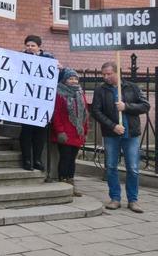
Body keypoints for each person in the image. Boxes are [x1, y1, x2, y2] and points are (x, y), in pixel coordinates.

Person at [91, 61, 150, 213]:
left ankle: (133, 200)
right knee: (111, 166)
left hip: (131, 133)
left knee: (133, 168)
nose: (106, 77)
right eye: (103, 74)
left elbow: (145, 105)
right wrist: (113, 126)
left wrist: (126, 107)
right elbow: (96, 111)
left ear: (117, 73)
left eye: (109, 74)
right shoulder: (100, 90)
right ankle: (115, 198)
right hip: (112, 134)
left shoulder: (132, 87)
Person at [19, 35, 56, 171]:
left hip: (42, 102)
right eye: (27, 45)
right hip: (26, 100)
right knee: (26, 131)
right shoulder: (19, 57)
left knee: (40, 132)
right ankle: (27, 159)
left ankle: (37, 159)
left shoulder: (48, 59)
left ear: (39, 47)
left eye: (32, 45)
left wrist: (59, 68)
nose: (30, 48)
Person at [51, 68, 88, 196]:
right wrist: (60, 131)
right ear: (65, 80)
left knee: (72, 159)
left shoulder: (80, 93)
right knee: (65, 158)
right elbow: (56, 114)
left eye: (75, 79)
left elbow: (85, 114)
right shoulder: (59, 93)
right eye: (70, 78)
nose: (73, 81)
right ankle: (63, 183)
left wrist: (85, 131)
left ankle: (71, 183)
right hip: (65, 133)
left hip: (77, 132)